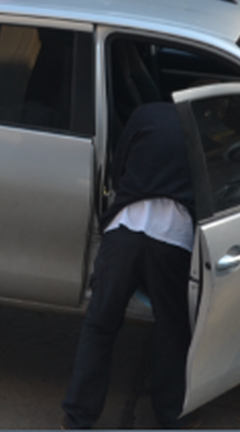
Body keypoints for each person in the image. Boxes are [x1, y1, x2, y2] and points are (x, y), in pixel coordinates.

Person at [62, 102, 197, 429]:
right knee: (172, 331)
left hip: (124, 229)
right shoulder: (205, 130)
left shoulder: (144, 114)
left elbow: (118, 165)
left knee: (100, 325)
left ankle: (79, 418)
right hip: (173, 239)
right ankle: (169, 416)